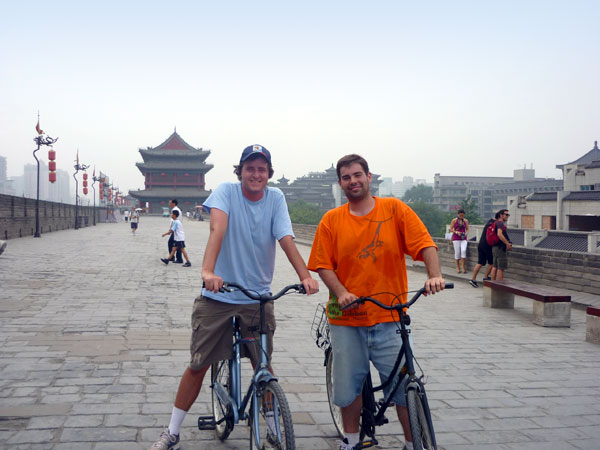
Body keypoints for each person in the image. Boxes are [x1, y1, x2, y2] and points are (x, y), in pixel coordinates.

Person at [149, 144, 319, 450]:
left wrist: (304, 276)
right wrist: (207, 271)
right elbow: (218, 228)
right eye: (250, 168)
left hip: (257, 299)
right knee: (199, 364)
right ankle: (172, 431)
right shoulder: (226, 191)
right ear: (240, 171)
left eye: (262, 169)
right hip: (219, 295)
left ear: (269, 174)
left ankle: (272, 426)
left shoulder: (275, 198)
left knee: (263, 366)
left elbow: (286, 239)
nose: (256, 174)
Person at [307, 154, 445, 450]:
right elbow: (322, 265)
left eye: (357, 175)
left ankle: (412, 443)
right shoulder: (332, 220)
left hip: (389, 317)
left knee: (402, 386)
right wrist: (342, 292)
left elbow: (425, 243)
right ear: (340, 183)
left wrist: (434, 275)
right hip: (347, 318)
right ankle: (352, 440)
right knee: (348, 387)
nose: (353, 181)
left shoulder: (394, 210)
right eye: (346, 177)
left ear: (369, 177)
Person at [469, 213, 498, 287]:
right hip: (487, 246)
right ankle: (485, 277)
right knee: (492, 263)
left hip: (481, 244)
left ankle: (473, 279)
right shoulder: (495, 224)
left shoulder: (489, 222)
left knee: (480, 262)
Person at [492, 209, 512, 281]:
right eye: (506, 215)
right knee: (501, 268)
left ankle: (493, 283)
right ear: (501, 215)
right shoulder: (500, 224)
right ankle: (499, 286)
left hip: (495, 247)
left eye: (508, 215)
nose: (507, 216)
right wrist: (507, 244)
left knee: (495, 266)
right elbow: (499, 234)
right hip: (500, 248)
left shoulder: (495, 223)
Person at [449, 208, 469, 273]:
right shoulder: (454, 220)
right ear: (458, 214)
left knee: (463, 250)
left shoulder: (465, 221)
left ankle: (463, 266)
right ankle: (458, 267)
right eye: (460, 215)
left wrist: (465, 233)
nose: (461, 217)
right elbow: (451, 229)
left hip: (463, 238)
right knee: (457, 252)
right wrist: (456, 232)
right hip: (456, 238)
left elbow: (467, 229)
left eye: (462, 215)